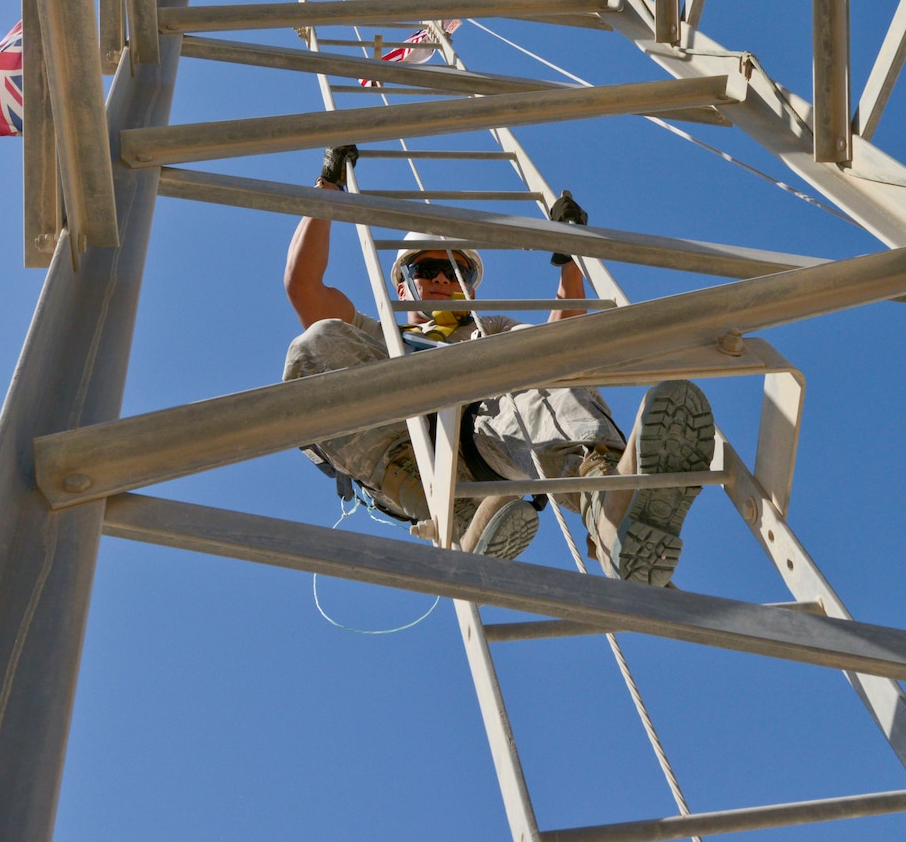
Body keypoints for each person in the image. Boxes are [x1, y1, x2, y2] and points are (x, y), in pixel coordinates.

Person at [281, 144, 715, 585]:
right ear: (402, 282)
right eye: (429, 269)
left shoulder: (489, 328)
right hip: (411, 458)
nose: (442, 279)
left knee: (535, 351)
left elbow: (560, 337)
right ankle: (458, 520)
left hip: (487, 438)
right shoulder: (380, 338)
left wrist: (570, 262)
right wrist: (329, 189)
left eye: (456, 274)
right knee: (317, 341)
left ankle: (608, 506)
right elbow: (303, 287)